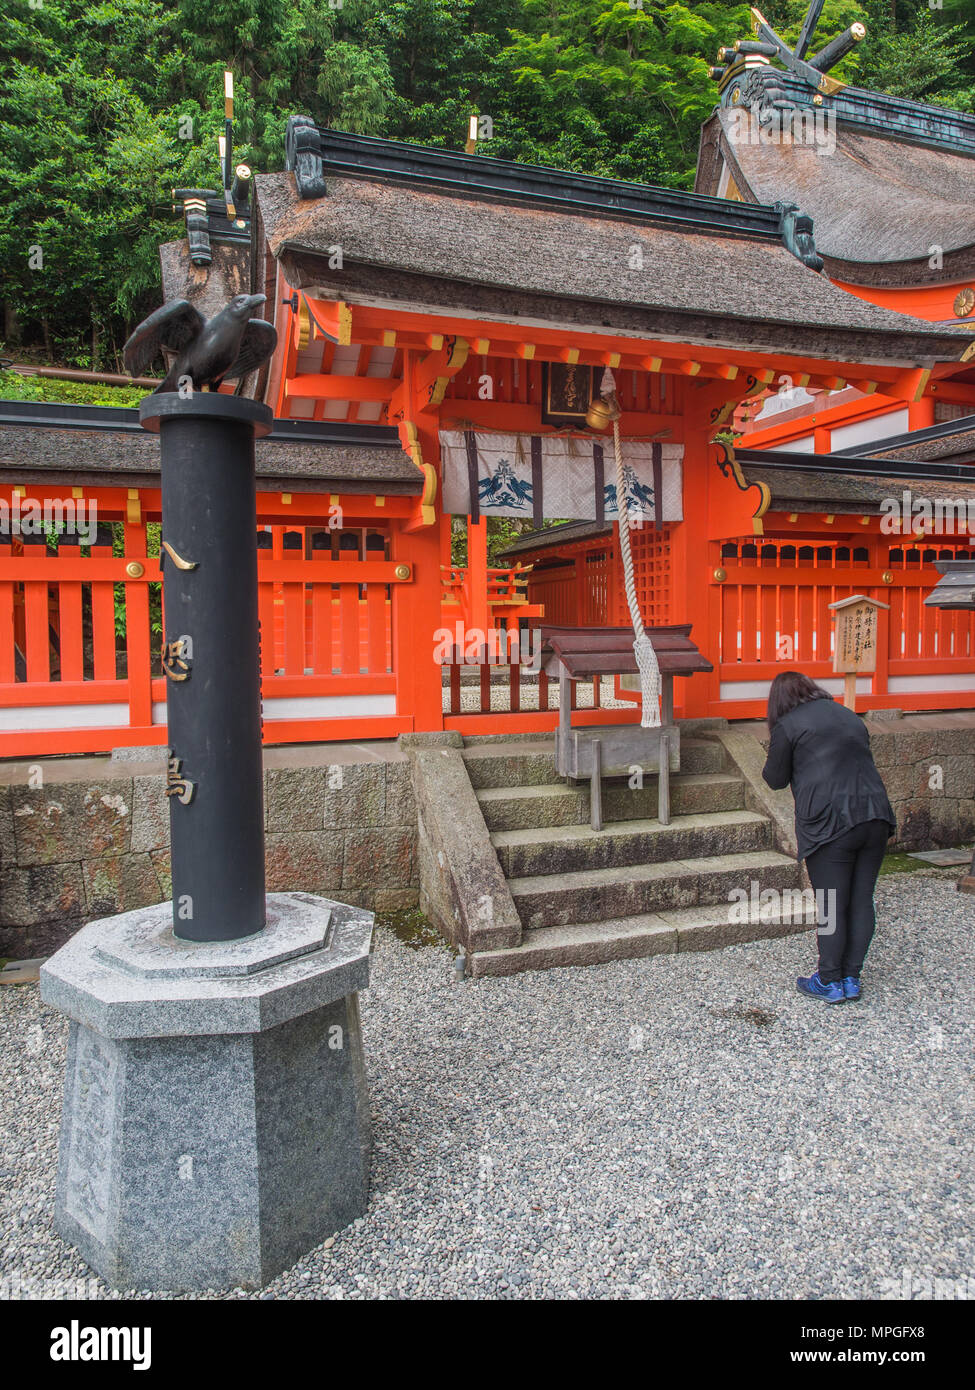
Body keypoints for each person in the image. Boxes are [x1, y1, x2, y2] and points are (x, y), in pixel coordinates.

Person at [761, 671, 896, 1004]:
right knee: (862, 898)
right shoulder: (849, 717)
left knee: (833, 905)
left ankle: (829, 980)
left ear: (778, 701)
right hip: (876, 815)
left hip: (831, 823)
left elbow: (774, 778)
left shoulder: (788, 725)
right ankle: (851, 977)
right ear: (811, 689)